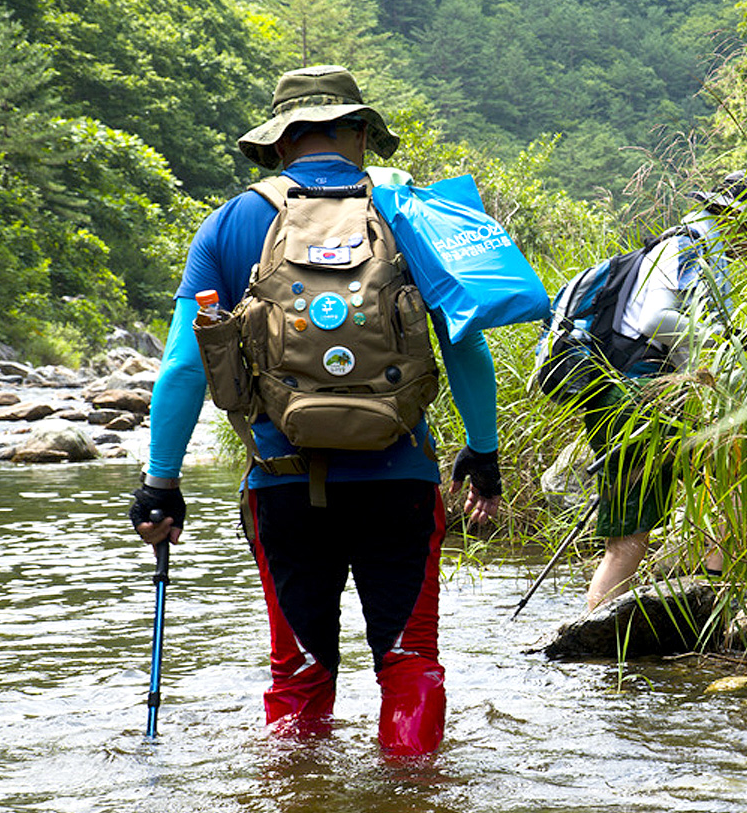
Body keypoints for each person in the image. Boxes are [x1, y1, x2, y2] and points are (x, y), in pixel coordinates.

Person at [128, 65, 502, 758]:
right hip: (400, 479)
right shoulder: (413, 215)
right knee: (409, 659)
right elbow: (466, 352)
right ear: (361, 134)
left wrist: (161, 482)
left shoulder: (232, 223)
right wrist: (483, 452)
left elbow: (183, 367)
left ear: (278, 144)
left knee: (297, 673)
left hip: (283, 482)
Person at [582, 170, 747, 611]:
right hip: (634, 400)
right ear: (738, 218)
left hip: (651, 397)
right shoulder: (689, 247)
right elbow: (658, 321)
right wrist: (725, 346)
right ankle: (598, 656)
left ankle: (709, 603)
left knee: (730, 481)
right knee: (628, 541)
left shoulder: (702, 247)